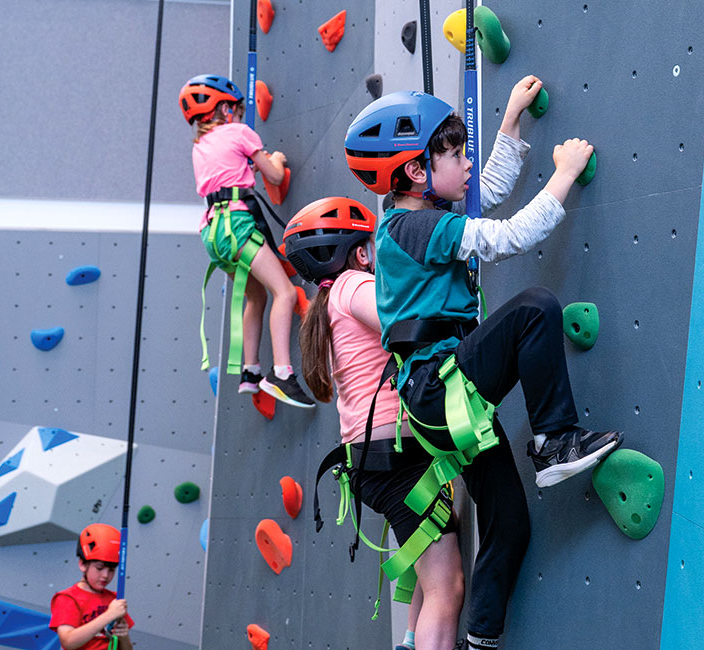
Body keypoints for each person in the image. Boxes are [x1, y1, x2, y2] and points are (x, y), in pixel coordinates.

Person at [344, 78, 621, 650]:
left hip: (444, 400)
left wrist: (511, 122)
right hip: (439, 387)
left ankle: (480, 641)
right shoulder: (416, 226)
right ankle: (555, 441)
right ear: (417, 171)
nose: (466, 163)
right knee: (534, 309)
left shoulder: (414, 218)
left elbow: (484, 189)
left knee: (509, 524)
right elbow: (508, 236)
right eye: (455, 154)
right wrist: (565, 173)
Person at [287, 197, 463, 650]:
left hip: (380, 461)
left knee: (429, 562)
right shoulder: (353, 286)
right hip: (397, 462)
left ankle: (410, 639)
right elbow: (402, 318)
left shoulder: (328, 304)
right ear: (363, 253)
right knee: (447, 587)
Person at [179, 74, 313, 408]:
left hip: (213, 234)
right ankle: (281, 374)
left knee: (255, 296)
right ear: (225, 109)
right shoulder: (239, 132)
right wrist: (276, 159)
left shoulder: (199, 147)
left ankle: (250, 372)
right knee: (284, 292)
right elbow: (275, 176)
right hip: (237, 226)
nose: (239, 116)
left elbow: (226, 177)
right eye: (237, 110)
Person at [49, 524, 134, 650]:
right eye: (99, 568)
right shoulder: (67, 598)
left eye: (111, 570)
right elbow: (68, 641)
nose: (105, 575)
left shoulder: (114, 599)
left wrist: (123, 636)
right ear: (83, 564)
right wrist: (109, 615)